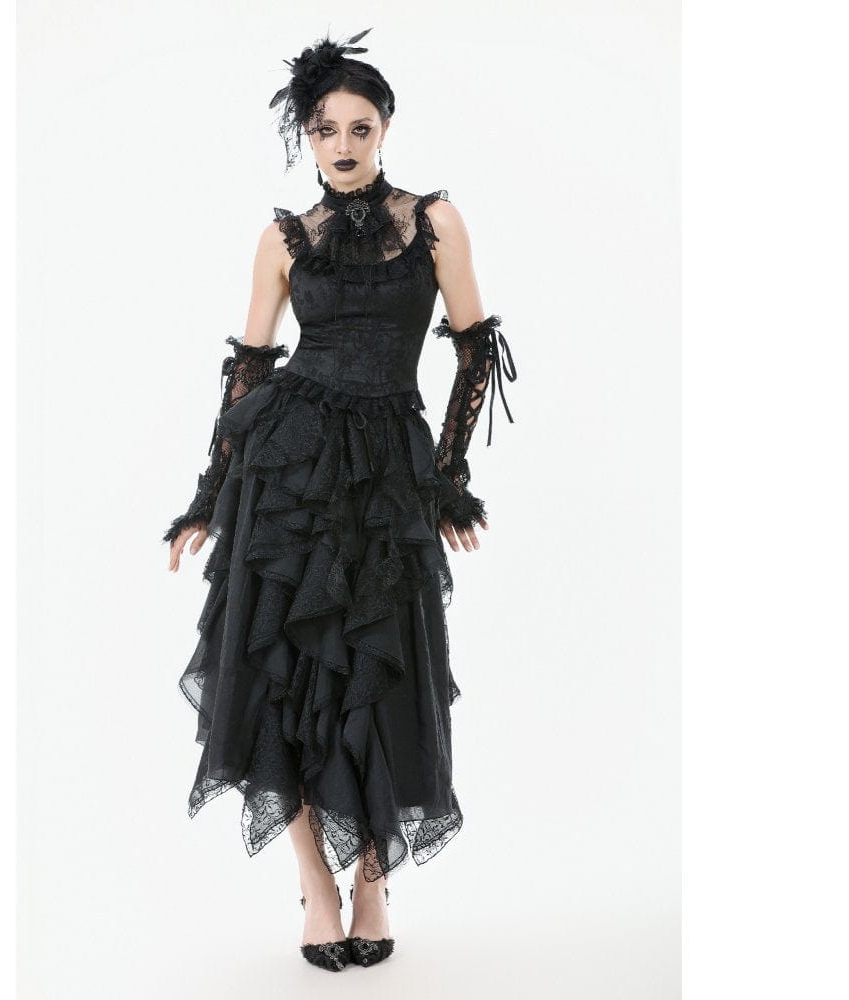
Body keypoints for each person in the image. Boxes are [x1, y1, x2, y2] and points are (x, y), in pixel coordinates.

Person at [161, 27, 516, 972]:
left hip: (388, 471)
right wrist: (207, 495)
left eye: (360, 127)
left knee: (383, 669)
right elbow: (248, 367)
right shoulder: (284, 239)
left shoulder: (434, 222)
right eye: (325, 130)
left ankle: (372, 881)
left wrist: (446, 478)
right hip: (288, 470)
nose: (344, 144)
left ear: (386, 127)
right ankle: (316, 884)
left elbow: (474, 348)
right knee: (283, 672)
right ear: (306, 138)